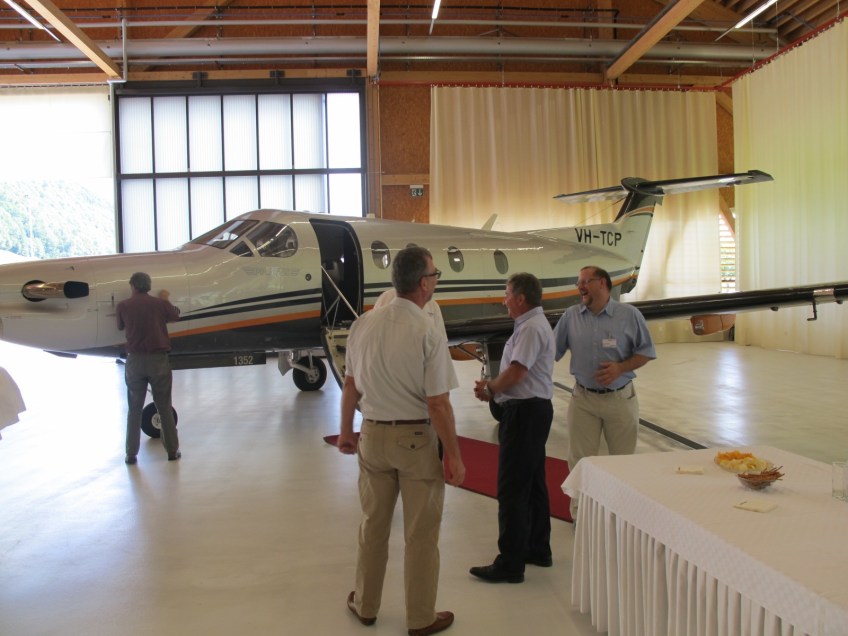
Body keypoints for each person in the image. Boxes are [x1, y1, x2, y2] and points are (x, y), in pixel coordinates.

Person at [337, 246, 465, 636]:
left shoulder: (363, 324)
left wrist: (346, 431)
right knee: (420, 534)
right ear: (424, 284)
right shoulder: (427, 330)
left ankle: (366, 605)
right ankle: (420, 618)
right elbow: (438, 403)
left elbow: (350, 385)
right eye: (435, 274)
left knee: (373, 526)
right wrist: (455, 456)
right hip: (415, 440)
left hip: (372, 436)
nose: (436, 280)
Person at [470, 272, 555, 584]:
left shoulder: (531, 328)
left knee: (512, 489)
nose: (503, 300)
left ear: (520, 298)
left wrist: (491, 388)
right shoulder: (531, 324)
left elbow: (518, 372)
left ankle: (510, 563)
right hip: (532, 411)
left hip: (524, 414)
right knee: (533, 484)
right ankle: (536, 548)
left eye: (507, 294)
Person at [553, 265, 656, 518]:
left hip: (620, 399)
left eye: (585, 281)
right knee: (580, 462)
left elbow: (646, 352)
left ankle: (620, 516)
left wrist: (621, 367)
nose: (580, 287)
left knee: (622, 463)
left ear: (602, 283)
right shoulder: (571, 316)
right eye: (578, 282)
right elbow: (550, 352)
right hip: (583, 400)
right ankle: (581, 517)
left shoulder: (629, 315)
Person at [116, 272, 181, 464]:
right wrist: (165, 298)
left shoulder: (123, 305)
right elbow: (175, 316)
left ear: (133, 286)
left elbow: (119, 326)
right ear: (148, 286)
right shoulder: (160, 304)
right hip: (158, 360)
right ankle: (172, 451)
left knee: (134, 409)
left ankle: (131, 454)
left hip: (134, 361)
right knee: (164, 407)